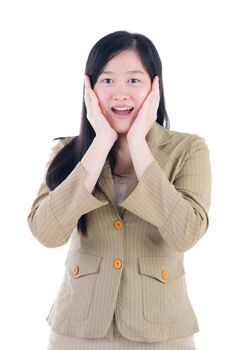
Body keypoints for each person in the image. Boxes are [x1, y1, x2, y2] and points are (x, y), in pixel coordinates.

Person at [27, 30, 212, 350]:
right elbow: (46, 233)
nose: (120, 93)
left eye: (134, 80)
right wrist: (100, 143)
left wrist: (139, 144)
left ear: (155, 87)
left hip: (162, 334)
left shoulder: (188, 149)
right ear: (90, 89)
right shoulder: (67, 152)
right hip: (77, 332)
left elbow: (186, 233)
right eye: (107, 80)